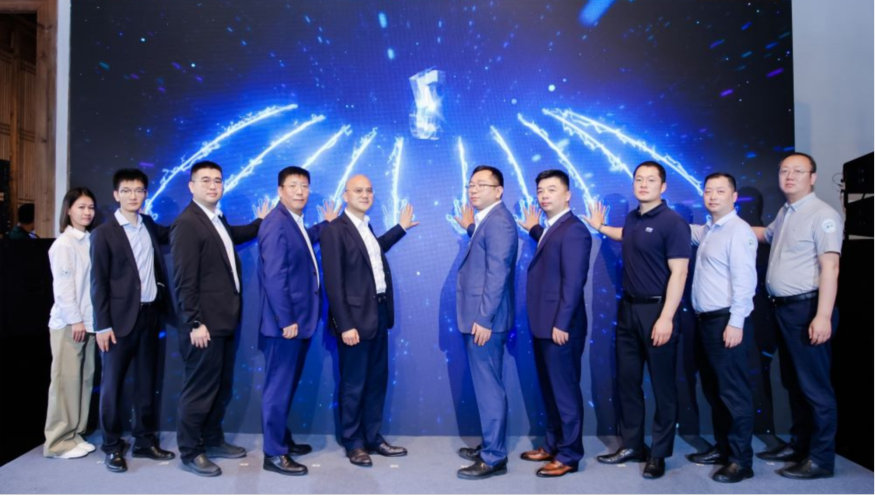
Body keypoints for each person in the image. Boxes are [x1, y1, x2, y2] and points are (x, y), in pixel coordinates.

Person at [582, 161, 691, 479]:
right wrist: (601, 227)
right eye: (639, 179)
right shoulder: (632, 218)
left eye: (651, 180)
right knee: (627, 382)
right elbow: (626, 235)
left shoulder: (673, 223)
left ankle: (659, 454)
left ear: (663, 186)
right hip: (628, 310)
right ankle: (632, 445)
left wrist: (666, 317)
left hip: (658, 312)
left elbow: (680, 273)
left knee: (663, 387)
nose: (643, 184)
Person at [171, 160, 269, 477]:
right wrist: (195, 322)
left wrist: (259, 222)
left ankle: (212, 440)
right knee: (199, 390)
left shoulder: (216, 218)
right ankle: (190, 451)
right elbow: (184, 280)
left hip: (224, 322)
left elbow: (232, 237)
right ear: (191, 186)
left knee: (220, 388)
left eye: (217, 180)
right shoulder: (188, 223)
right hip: (204, 326)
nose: (213, 186)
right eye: (205, 180)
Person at [751, 153, 842, 480]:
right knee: (794, 383)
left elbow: (831, 267)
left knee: (815, 388)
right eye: (785, 171)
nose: (790, 176)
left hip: (808, 310)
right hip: (784, 311)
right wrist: (723, 225)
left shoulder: (823, 215)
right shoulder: (786, 212)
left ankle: (821, 460)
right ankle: (800, 445)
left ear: (812, 177)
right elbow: (765, 235)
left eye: (798, 171)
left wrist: (823, 316)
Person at [320, 174, 417, 468]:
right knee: (353, 384)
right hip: (354, 321)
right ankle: (353, 442)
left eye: (369, 191)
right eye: (358, 190)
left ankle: (373, 437)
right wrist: (344, 324)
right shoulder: (334, 230)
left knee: (376, 381)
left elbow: (372, 252)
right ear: (345, 195)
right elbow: (333, 283)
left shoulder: (366, 227)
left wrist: (400, 228)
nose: (365, 195)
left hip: (379, 315)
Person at [91, 169, 176, 473]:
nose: (133, 196)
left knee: (146, 383)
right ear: (116, 194)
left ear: (145, 194)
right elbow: (98, 282)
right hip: (117, 322)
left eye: (139, 190)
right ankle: (112, 446)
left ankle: (144, 441)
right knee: (112, 386)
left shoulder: (148, 224)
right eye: (126, 191)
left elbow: (178, 231)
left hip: (150, 316)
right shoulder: (103, 233)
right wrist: (102, 325)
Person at [257, 166, 336, 476]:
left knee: (286, 386)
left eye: (304, 185)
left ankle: (281, 440)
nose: (300, 191)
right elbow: (274, 276)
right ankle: (273, 454)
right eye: (293, 185)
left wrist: (325, 224)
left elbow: (303, 243)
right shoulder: (276, 223)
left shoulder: (292, 221)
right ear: (280, 190)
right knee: (277, 390)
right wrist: (285, 319)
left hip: (299, 322)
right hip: (285, 326)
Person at [684, 173, 758, 483]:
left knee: (733, 393)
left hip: (726, 322)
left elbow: (745, 281)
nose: (713, 196)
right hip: (706, 322)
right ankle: (724, 448)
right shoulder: (708, 230)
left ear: (734, 196)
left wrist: (736, 322)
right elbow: (679, 229)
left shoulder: (738, 231)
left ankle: (741, 461)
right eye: (708, 191)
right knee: (715, 391)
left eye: (720, 191)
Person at [518, 169, 592, 478]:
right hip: (543, 323)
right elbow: (551, 246)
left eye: (551, 189)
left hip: (561, 326)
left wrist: (562, 323)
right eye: (540, 191)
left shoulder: (574, 230)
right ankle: (552, 444)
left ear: (567, 194)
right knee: (550, 389)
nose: (544, 195)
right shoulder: (553, 228)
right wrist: (535, 229)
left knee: (564, 392)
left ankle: (570, 454)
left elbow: (574, 283)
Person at [453, 165, 518, 480]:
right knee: (487, 386)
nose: (474, 190)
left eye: (481, 185)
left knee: (489, 388)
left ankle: (494, 457)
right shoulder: (488, 221)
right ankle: (491, 446)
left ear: (499, 190)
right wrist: (470, 227)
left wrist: (484, 318)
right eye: (471, 185)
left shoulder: (500, 222)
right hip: (482, 318)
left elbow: (497, 273)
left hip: (485, 321)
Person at [44, 188, 97, 459]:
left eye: (90, 207)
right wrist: (75, 320)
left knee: (84, 380)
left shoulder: (88, 240)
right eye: (81, 207)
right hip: (69, 324)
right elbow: (63, 288)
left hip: (89, 323)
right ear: (68, 210)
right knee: (66, 382)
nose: (87, 212)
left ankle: (75, 434)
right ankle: (58, 443)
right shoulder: (64, 244)